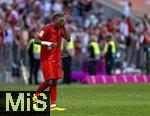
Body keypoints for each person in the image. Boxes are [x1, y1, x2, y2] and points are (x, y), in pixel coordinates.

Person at [32, 13, 71, 111]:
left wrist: (64, 26)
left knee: (55, 81)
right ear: (55, 20)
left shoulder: (61, 29)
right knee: (49, 81)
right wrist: (47, 43)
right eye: (60, 21)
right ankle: (35, 96)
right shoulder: (46, 28)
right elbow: (36, 40)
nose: (61, 23)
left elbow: (69, 39)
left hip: (57, 59)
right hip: (47, 59)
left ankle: (53, 105)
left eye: (63, 21)